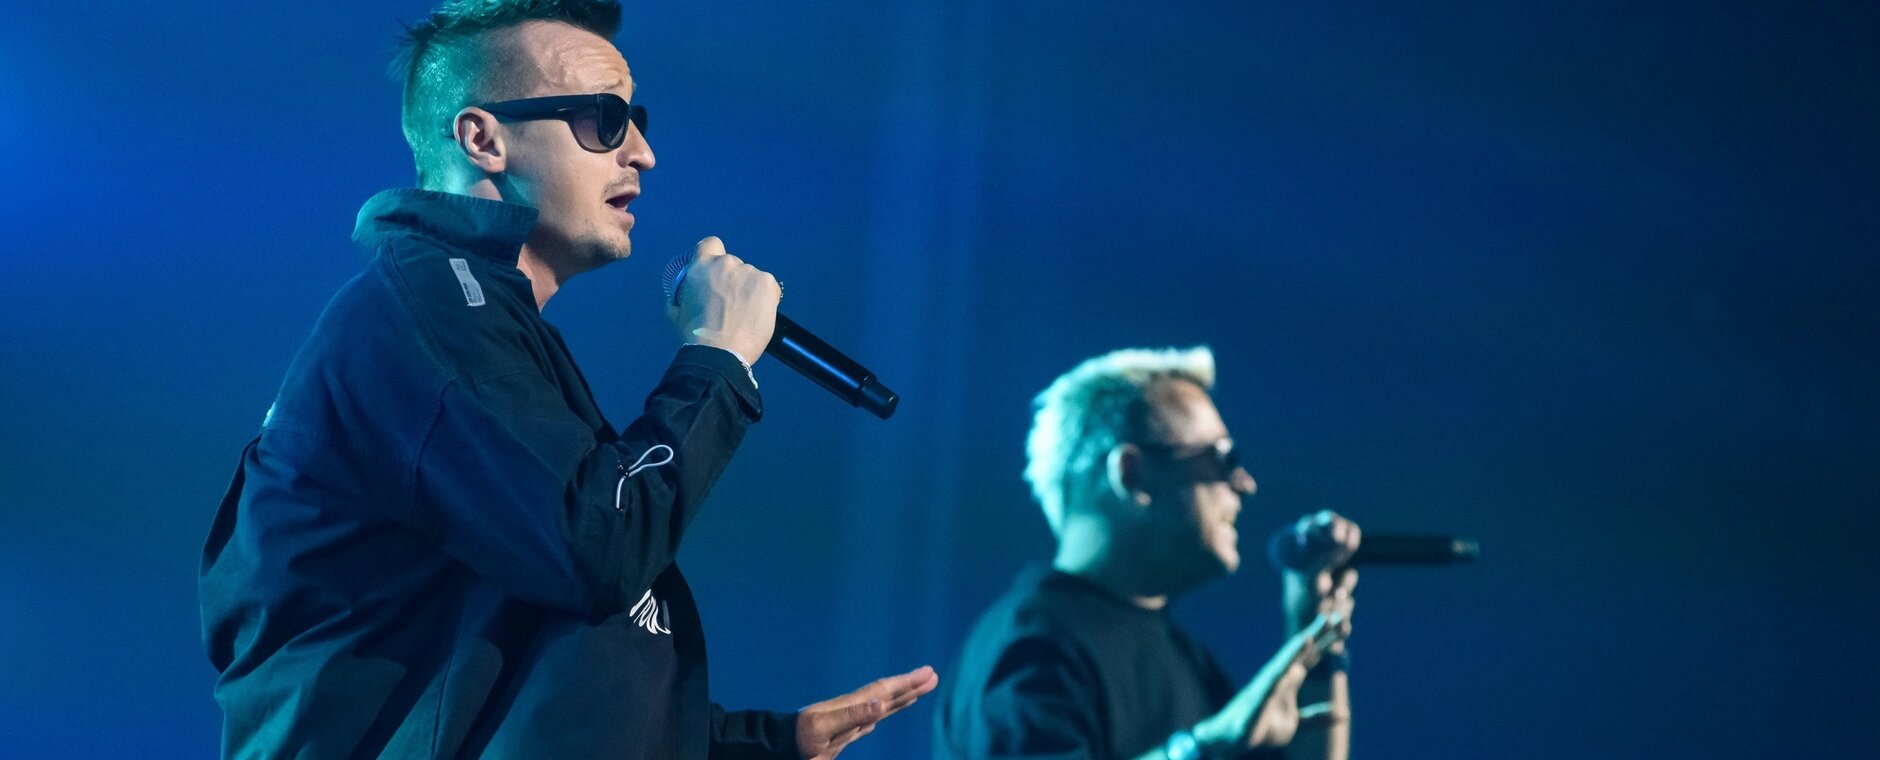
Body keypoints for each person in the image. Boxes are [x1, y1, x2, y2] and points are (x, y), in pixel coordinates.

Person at [197, 1, 934, 757]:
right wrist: (716, 358)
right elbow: (599, 545)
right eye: (603, 120)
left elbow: (547, 675)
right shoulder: (421, 315)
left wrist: (766, 744)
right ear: (483, 140)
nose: (642, 153)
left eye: (635, 120)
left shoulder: (480, 325)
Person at [935, 347, 1361, 760]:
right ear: (1132, 474)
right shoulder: (1033, 645)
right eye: (1223, 457)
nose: (1245, 484)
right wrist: (1203, 746)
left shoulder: (1184, 656)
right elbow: (1213, 742)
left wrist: (1315, 632)